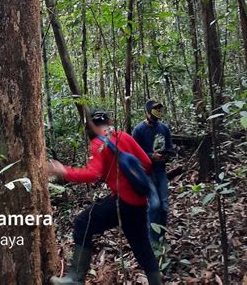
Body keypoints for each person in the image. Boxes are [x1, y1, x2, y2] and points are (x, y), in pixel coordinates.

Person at [46, 108, 163, 285]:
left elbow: (93, 175)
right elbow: (147, 163)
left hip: (123, 202)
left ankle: (75, 278)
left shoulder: (98, 144)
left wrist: (64, 171)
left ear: (92, 126)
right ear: (109, 121)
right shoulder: (123, 136)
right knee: (142, 246)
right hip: (139, 202)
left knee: (82, 222)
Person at [132, 100, 176, 244]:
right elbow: (133, 153)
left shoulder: (164, 128)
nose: (158, 111)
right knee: (154, 205)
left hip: (161, 171)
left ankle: (161, 238)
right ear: (147, 112)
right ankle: (152, 240)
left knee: (164, 206)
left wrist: (166, 155)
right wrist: (151, 155)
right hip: (146, 173)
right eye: (155, 109)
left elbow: (170, 148)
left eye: (159, 108)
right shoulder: (139, 130)